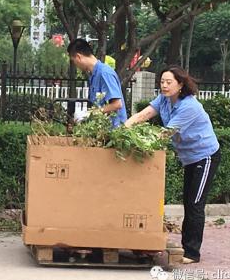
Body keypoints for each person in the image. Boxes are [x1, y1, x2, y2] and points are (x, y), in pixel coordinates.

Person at [124, 65, 221, 264]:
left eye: (169, 82)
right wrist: (123, 128)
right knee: (188, 201)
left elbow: (166, 134)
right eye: (162, 82)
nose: (165, 86)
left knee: (195, 204)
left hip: (205, 156)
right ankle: (188, 247)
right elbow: (144, 115)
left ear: (181, 85)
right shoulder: (164, 100)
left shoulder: (189, 106)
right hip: (190, 158)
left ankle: (192, 253)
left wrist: (140, 144)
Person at [67, 39, 127, 128]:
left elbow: (117, 104)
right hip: (103, 131)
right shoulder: (94, 75)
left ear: (78, 57)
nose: (76, 66)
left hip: (114, 133)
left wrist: (88, 114)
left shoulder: (104, 73)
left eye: (74, 62)